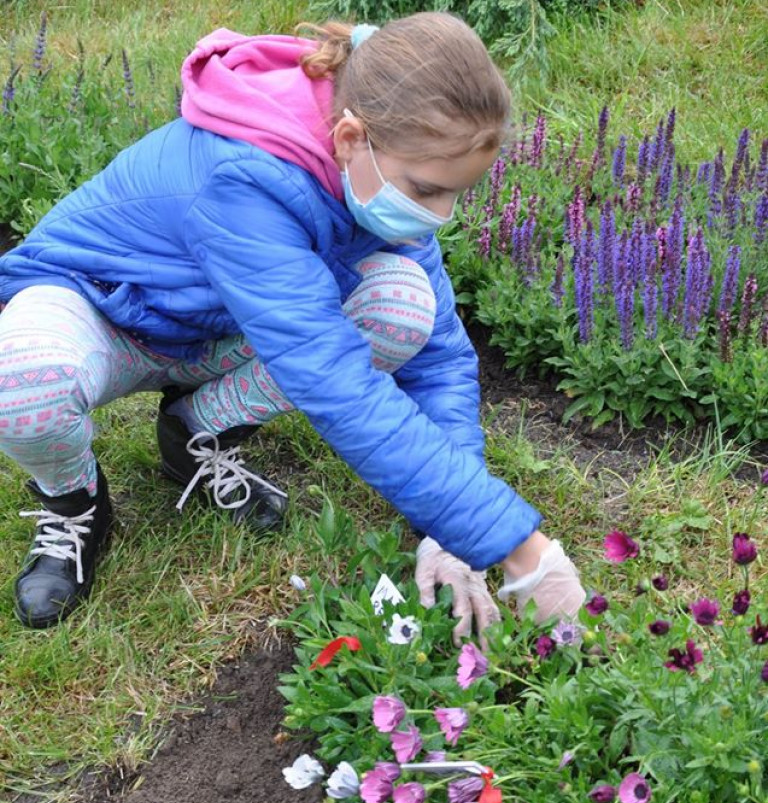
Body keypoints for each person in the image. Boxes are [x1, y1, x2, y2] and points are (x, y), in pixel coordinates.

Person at [0, 13, 585, 635]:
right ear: (352, 136)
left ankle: (194, 433)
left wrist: (448, 533)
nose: (438, 214)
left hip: (217, 325)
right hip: (102, 314)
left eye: (454, 194)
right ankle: (75, 503)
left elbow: (438, 359)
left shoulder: (379, 162)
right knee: (24, 382)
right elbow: (333, 383)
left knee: (405, 305)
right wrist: (521, 549)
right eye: (426, 189)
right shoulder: (247, 174)